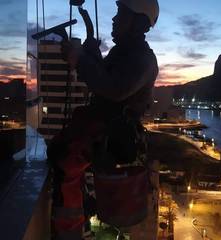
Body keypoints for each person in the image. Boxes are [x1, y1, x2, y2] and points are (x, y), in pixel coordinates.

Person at [48, 0, 159, 239]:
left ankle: (69, 230)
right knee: (60, 153)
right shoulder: (124, 54)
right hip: (105, 129)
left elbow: (113, 88)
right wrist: (89, 53)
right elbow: (105, 78)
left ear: (136, 22)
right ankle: (78, 210)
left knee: (64, 160)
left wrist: (80, 59)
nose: (114, 18)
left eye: (120, 13)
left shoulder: (143, 59)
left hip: (113, 133)